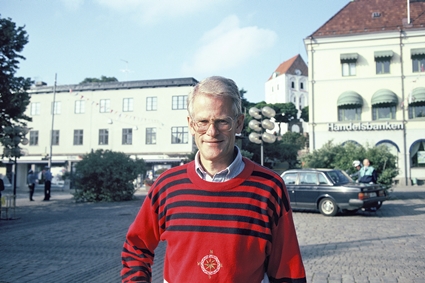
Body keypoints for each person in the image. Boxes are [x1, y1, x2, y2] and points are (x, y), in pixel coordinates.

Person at [121, 76, 306, 283]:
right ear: (190, 125)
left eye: (222, 122)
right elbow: (136, 246)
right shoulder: (167, 185)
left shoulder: (269, 187)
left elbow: (287, 269)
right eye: (202, 122)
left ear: (239, 123)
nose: (211, 132)